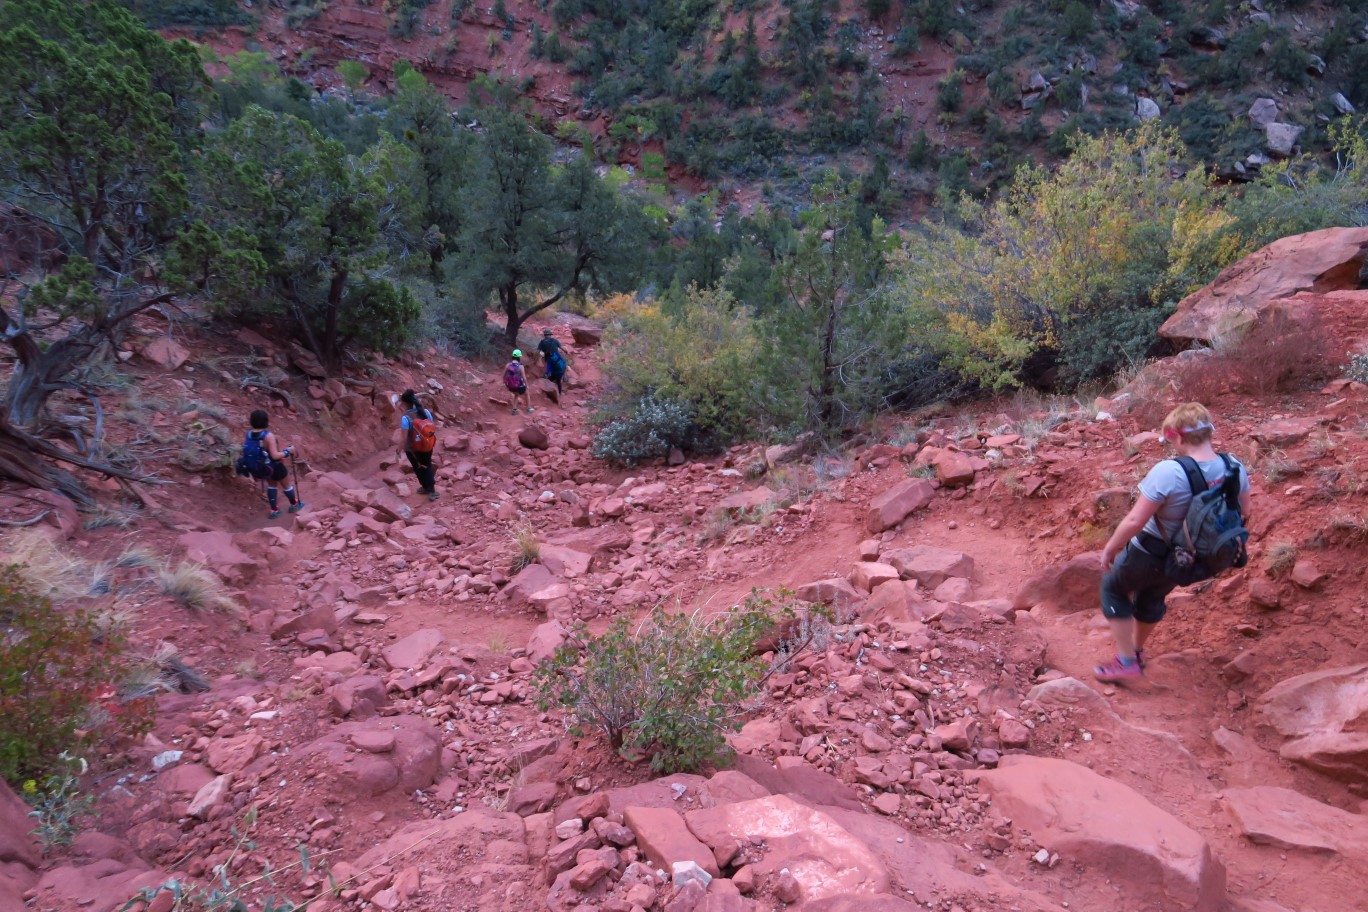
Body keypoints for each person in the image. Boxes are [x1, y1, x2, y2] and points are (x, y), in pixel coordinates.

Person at [1094, 402, 1250, 682]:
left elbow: (1134, 521)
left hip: (1149, 551)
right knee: (1152, 597)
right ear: (1209, 432)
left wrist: (1111, 548)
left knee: (1113, 589)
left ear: (1176, 437)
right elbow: (1244, 513)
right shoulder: (1234, 466)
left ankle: (1126, 660)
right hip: (1187, 558)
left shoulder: (1170, 471)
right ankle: (1137, 652)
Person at [244, 410, 305, 519]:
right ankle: (294, 504)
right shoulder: (268, 436)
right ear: (266, 421)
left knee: (272, 485)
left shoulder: (248, 434)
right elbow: (275, 455)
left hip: (262, 467)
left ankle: (274, 510)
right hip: (274, 466)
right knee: (286, 484)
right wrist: (288, 451)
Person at [398, 389, 439, 502]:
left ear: (405, 403)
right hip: (427, 444)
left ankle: (429, 489)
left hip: (413, 449)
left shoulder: (405, 418)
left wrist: (398, 451)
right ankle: (429, 488)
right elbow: (431, 427)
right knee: (427, 465)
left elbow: (403, 438)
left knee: (418, 467)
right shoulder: (425, 411)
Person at [537, 328, 568, 404]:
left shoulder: (542, 342)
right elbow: (562, 348)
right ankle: (563, 379)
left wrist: (540, 359)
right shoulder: (555, 341)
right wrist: (566, 351)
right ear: (550, 335)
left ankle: (549, 390)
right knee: (563, 366)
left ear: (544, 335)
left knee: (550, 374)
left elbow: (540, 352)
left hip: (549, 360)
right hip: (556, 358)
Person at [504, 349, 533, 415]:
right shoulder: (520, 366)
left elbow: (504, 375)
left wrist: (506, 384)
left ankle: (514, 410)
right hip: (518, 386)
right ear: (519, 357)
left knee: (516, 394)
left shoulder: (508, 365)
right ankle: (529, 408)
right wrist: (527, 385)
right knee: (527, 393)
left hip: (510, 386)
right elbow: (524, 377)